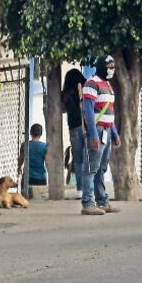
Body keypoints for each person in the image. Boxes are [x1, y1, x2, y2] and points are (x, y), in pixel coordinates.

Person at [80, 55, 121, 216]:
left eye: (113, 66)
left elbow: (109, 111)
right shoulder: (91, 84)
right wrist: (92, 134)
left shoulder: (108, 85)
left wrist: (115, 134)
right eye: (109, 66)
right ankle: (88, 203)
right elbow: (88, 111)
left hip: (107, 131)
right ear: (101, 66)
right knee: (91, 168)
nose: (112, 68)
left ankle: (102, 201)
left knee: (101, 168)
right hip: (97, 131)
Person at [63, 68, 86, 196]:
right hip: (85, 127)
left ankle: (80, 189)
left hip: (73, 129)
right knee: (88, 158)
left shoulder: (66, 94)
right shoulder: (84, 90)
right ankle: (89, 187)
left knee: (78, 160)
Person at [18, 123, 48, 197]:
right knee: (41, 198)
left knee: (25, 197)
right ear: (41, 134)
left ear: (30, 133)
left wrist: (19, 168)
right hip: (41, 177)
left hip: (28, 177)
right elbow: (47, 162)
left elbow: (21, 159)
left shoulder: (24, 145)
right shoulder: (44, 146)